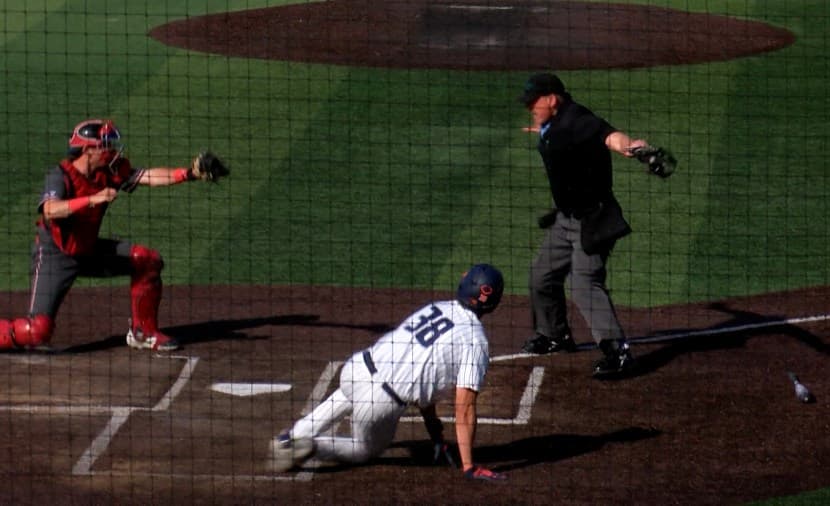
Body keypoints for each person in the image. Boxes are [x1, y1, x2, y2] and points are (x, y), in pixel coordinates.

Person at [269, 263, 507, 481]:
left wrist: (436, 435)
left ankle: (291, 436)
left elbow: (425, 376)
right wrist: (468, 466)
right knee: (364, 449)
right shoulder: (476, 341)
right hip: (381, 402)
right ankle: (311, 447)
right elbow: (464, 408)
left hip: (357, 368)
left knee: (346, 395)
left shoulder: (437, 308)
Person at [0, 118, 214, 352]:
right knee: (37, 330)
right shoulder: (61, 175)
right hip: (55, 254)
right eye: (106, 145)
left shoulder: (111, 169)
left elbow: (148, 177)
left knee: (147, 260)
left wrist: (189, 173)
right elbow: (50, 210)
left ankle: (143, 333)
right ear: (88, 150)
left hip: (89, 250)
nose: (112, 150)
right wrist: (92, 199)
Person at [517, 73, 650, 379]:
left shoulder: (578, 120)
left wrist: (635, 148)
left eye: (534, 103)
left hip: (594, 219)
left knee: (583, 283)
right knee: (542, 275)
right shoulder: (553, 122)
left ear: (552, 98)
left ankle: (618, 353)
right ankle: (554, 336)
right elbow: (552, 132)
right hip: (566, 218)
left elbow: (610, 136)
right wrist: (541, 127)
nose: (530, 109)